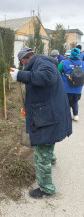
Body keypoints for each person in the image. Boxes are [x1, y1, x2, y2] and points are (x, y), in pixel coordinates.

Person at [10, 47, 72, 199]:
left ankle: (46, 189)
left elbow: (47, 77)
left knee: (41, 151)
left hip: (48, 117)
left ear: (25, 60)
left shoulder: (41, 62)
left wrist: (20, 75)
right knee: (48, 142)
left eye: (22, 64)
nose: (23, 66)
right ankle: (52, 158)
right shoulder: (41, 62)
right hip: (50, 112)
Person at [58, 47, 84, 121]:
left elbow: (58, 72)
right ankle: (75, 116)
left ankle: (66, 116)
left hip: (66, 88)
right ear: (79, 54)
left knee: (66, 102)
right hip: (78, 88)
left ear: (71, 54)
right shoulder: (83, 63)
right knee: (75, 101)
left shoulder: (64, 62)